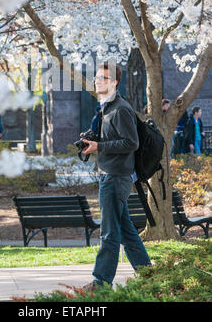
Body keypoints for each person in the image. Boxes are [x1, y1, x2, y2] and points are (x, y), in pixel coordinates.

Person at [80, 61, 151, 291]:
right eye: (97, 77)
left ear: (115, 82)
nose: (97, 81)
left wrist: (98, 148)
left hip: (115, 177)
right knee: (127, 231)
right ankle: (148, 274)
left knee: (109, 231)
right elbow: (112, 139)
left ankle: (101, 282)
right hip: (110, 175)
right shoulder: (106, 108)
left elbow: (132, 142)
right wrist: (93, 141)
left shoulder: (120, 108)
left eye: (103, 78)